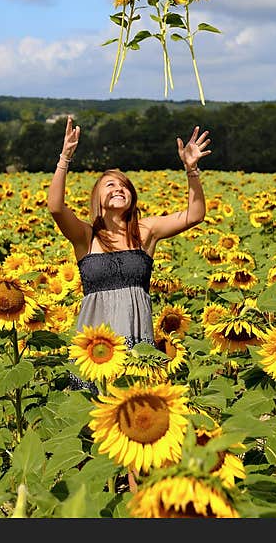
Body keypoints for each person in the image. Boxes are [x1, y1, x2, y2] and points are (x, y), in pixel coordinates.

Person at [47, 115, 212, 391]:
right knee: (89, 410)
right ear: (97, 198)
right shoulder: (86, 237)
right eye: (110, 185)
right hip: (94, 344)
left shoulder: (146, 231)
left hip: (137, 335)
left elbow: (195, 215)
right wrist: (65, 158)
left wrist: (191, 171)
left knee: (136, 405)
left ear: (132, 196)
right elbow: (55, 207)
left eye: (124, 185)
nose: (119, 188)